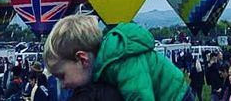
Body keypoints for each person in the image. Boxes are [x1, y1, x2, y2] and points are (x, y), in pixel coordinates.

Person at [43, 15, 191, 101]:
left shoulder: (122, 60)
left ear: (83, 60)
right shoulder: (101, 68)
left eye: (62, 76)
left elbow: (139, 96)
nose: (62, 84)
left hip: (177, 97)